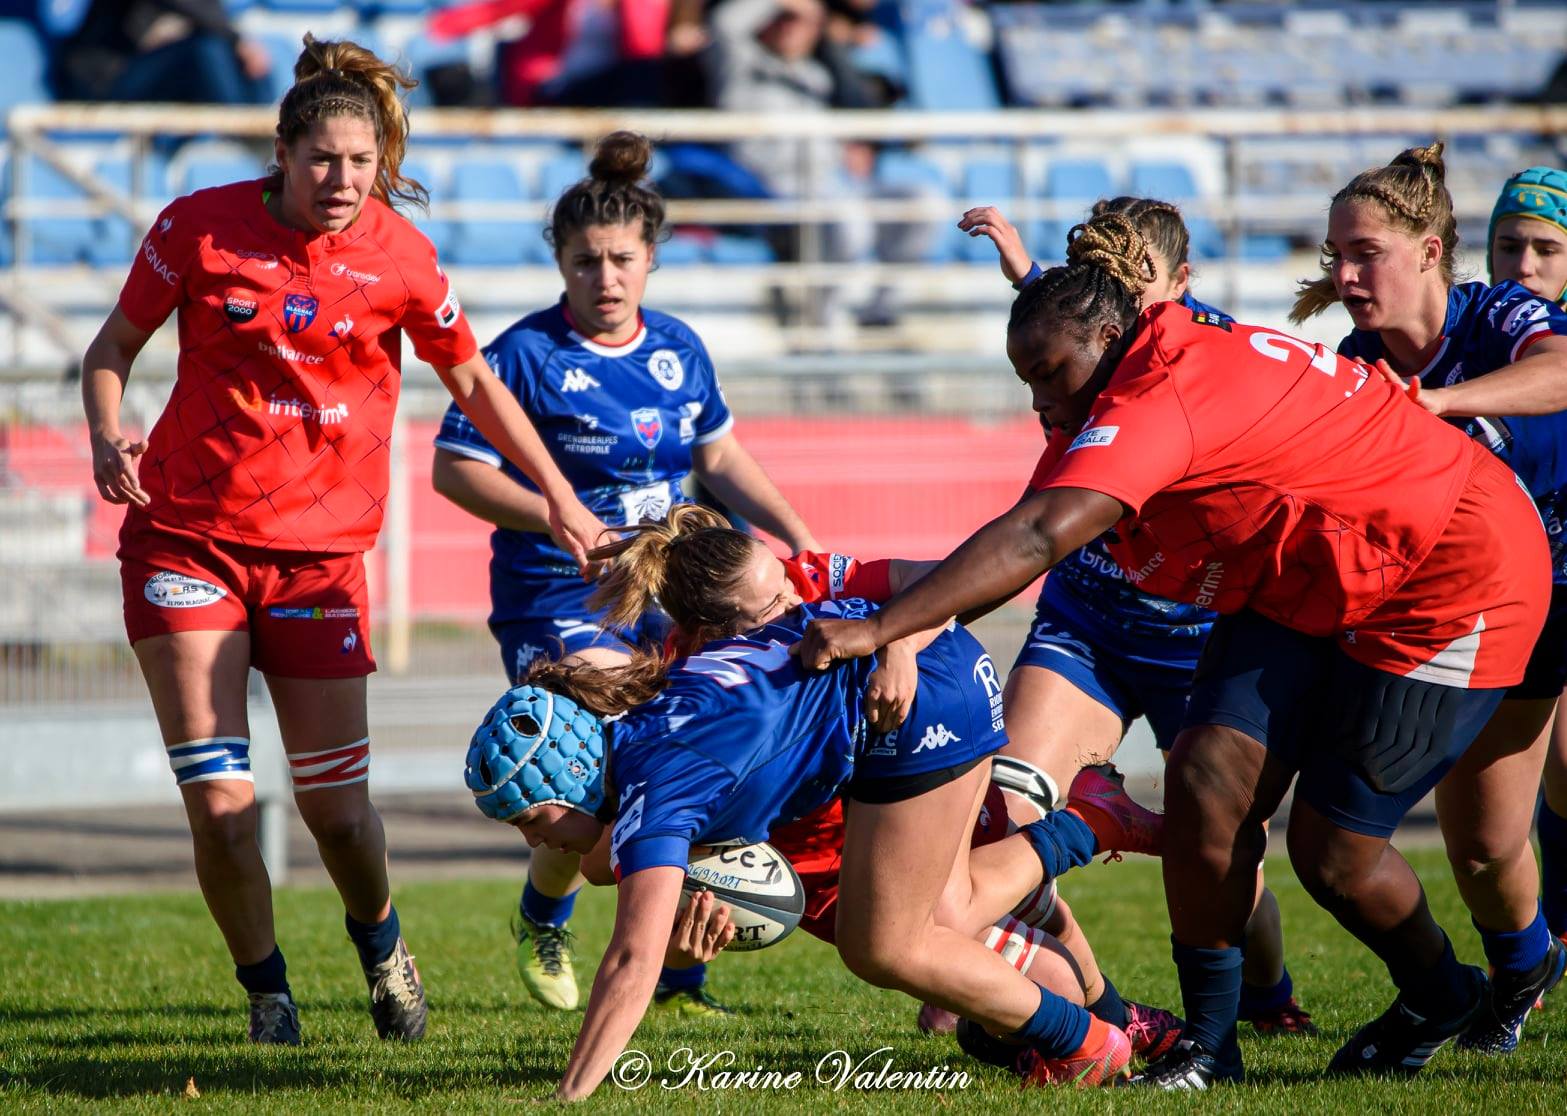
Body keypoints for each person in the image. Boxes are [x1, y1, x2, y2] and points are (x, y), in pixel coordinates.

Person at [797, 211, 1552, 1087]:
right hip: (1307, 569)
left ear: (1111, 336)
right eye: (1027, 379)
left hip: (1449, 569)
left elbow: (1039, 533)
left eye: (1048, 375)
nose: (1040, 400)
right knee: (1202, 782)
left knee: (1331, 857)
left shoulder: (1162, 390)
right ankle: (1207, 1042)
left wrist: (882, 627)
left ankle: (1438, 991)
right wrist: (883, 606)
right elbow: (1015, 523)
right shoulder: (1127, 358)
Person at [80, 34, 606, 1046]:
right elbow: (111, 351)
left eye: (360, 163)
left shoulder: (397, 256)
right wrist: (109, 431)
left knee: (337, 816)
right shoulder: (199, 228)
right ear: (281, 152)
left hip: (320, 562)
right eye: (322, 159)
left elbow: (477, 385)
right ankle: (268, 997)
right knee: (224, 803)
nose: (342, 180)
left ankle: (379, 939)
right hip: (184, 541)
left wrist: (558, 496)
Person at [465, 507, 1173, 1099]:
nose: (796, 614)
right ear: (711, 632)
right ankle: (1092, 939)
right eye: (771, 611)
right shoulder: (654, 729)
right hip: (870, 747)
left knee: (900, 941)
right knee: (950, 961)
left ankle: (1088, 1016)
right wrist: (682, 929)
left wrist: (570, 1096)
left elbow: (629, 957)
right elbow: (610, 870)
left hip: (917, 695)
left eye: (530, 818)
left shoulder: (661, 764)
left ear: (574, 773)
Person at [431, 130, 818, 1017]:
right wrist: (557, 513)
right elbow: (453, 472)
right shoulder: (524, 357)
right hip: (556, 598)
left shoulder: (677, 347)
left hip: (667, 595)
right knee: (603, 776)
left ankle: (680, 972)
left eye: (620, 260)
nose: (603, 277)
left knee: (693, 760)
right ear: (559, 263)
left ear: (650, 259)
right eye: (584, 261)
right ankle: (546, 916)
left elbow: (717, 453)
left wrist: (797, 537)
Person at [958, 197, 1314, 1036]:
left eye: (1136, 284)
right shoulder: (1079, 340)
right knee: (1008, 802)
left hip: (1197, 638)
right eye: (1100, 282)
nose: (1116, 301)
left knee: (1217, 851)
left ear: (1182, 283)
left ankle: (1266, 995)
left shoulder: (1217, 359)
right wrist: (1018, 264)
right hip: (1085, 618)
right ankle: (1024, 988)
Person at [1290, 144, 1567, 1051]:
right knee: (1483, 847)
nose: (1341, 274)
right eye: (1335, 255)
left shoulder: (1500, 314)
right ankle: (1525, 966)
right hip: (1474, 611)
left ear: (1428, 252)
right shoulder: (1355, 357)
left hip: (1557, 592)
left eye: (1362, 253)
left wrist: (1439, 406)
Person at [1485, 166, 1567, 960]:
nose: (1525, 265)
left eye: (1546, 248)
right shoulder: (1480, 331)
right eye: (1509, 245)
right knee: (1532, 786)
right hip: (1517, 586)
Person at [54, 0, 272, 105]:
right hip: (104, 79)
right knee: (208, 50)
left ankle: (267, 133)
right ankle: (248, 135)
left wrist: (238, 43)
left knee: (247, 59)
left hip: (139, 71)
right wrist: (236, 40)